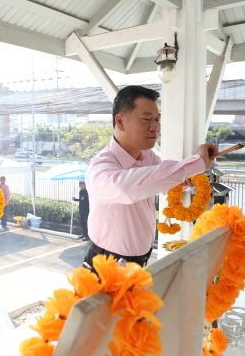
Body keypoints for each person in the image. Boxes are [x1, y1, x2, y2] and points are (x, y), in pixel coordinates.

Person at [84, 85, 217, 270]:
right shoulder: (100, 167)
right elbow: (125, 188)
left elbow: (162, 180)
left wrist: (186, 179)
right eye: (147, 119)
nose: (155, 127)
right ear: (120, 121)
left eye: (156, 119)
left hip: (139, 261)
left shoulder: (148, 156)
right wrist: (196, 163)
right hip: (107, 265)